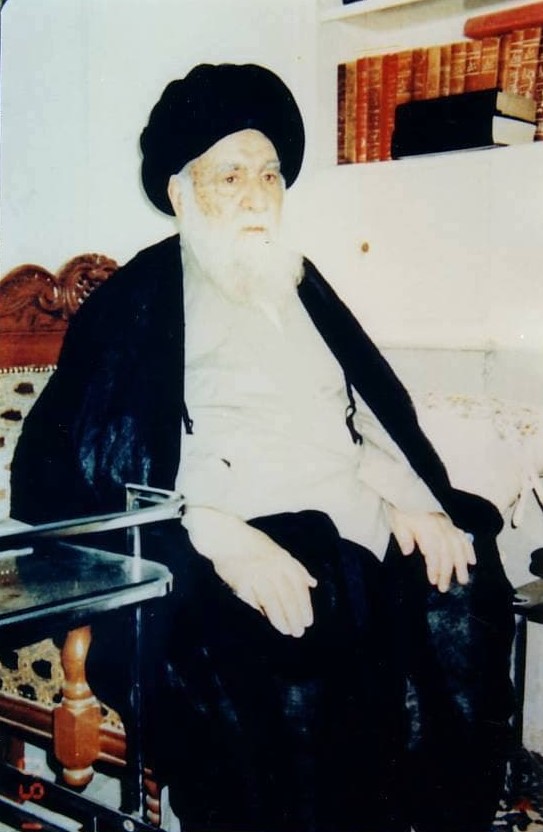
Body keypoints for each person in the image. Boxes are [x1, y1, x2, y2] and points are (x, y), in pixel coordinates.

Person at [11, 63, 515, 832]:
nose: (256, 196)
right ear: (181, 192)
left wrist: (410, 502)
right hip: (225, 538)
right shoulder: (136, 301)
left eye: (270, 175)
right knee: (298, 620)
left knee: (461, 575)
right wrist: (215, 533)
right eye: (230, 176)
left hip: (351, 524)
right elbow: (71, 472)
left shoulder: (298, 282)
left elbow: (359, 421)